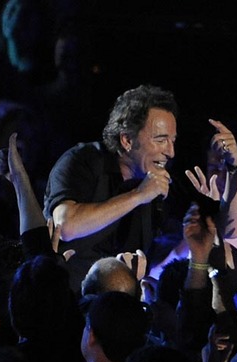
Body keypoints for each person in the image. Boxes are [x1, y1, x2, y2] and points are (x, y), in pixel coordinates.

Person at [42, 84, 178, 288]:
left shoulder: (157, 185)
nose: (171, 152)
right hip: (66, 297)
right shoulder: (82, 161)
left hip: (119, 306)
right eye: (161, 140)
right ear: (127, 140)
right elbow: (66, 226)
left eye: (173, 141)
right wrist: (138, 195)